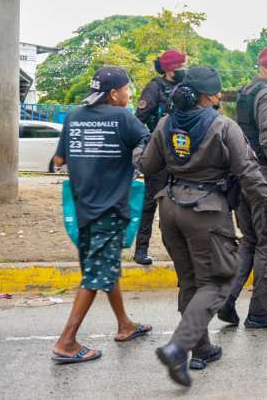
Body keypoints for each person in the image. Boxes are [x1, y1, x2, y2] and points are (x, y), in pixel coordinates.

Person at [137, 67, 267, 387]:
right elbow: (248, 173)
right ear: (206, 96)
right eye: (216, 93)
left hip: (171, 209)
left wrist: (139, 147)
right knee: (218, 281)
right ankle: (179, 347)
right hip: (207, 212)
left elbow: (147, 166)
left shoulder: (166, 123)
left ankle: (201, 349)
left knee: (190, 281)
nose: (219, 97)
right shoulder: (222, 126)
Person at [51, 66, 152, 365]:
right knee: (96, 275)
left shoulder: (73, 117)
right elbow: (149, 146)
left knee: (103, 267)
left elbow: (59, 160)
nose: (130, 94)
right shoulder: (123, 117)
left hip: (83, 209)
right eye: (127, 89)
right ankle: (66, 342)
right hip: (109, 208)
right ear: (113, 93)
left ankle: (125, 324)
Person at [218, 45, 267, 329]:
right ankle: (260, 312)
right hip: (265, 177)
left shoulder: (247, 91)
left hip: (243, 175)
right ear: (266, 67)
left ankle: (227, 300)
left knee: (250, 242)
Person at [133, 49, 187, 265]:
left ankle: (180, 249)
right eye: (182, 65)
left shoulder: (186, 87)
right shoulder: (154, 87)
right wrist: (151, 140)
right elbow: (139, 120)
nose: (185, 69)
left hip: (182, 151)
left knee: (182, 201)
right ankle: (141, 249)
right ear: (171, 69)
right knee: (150, 201)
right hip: (159, 153)